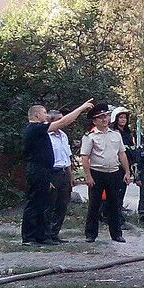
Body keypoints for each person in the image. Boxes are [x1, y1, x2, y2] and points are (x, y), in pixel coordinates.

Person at [21, 100, 92, 246]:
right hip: (37, 170)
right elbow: (63, 122)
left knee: (43, 204)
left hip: (45, 171)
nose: (46, 115)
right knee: (34, 203)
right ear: (36, 114)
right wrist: (81, 108)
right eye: (44, 113)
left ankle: (41, 236)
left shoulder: (39, 129)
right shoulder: (34, 128)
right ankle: (28, 237)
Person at [80, 103, 133, 243]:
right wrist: (88, 176)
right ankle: (91, 234)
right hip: (97, 173)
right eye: (101, 117)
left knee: (114, 204)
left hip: (114, 172)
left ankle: (116, 234)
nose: (104, 119)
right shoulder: (90, 136)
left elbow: (122, 154)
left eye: (106, 116)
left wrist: (127, 172)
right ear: (94, 121)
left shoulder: (116, 134)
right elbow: (85, 157)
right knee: (94, 204)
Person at [45, 110, 75, 244]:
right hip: (52, 172)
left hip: (63, 172)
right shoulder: (46, 136)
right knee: (49, 204)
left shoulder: (63, 135)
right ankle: (46, 234)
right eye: (59, 119)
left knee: (62, 205)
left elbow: (67, 156)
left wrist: (71, 175)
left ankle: (55, 233)